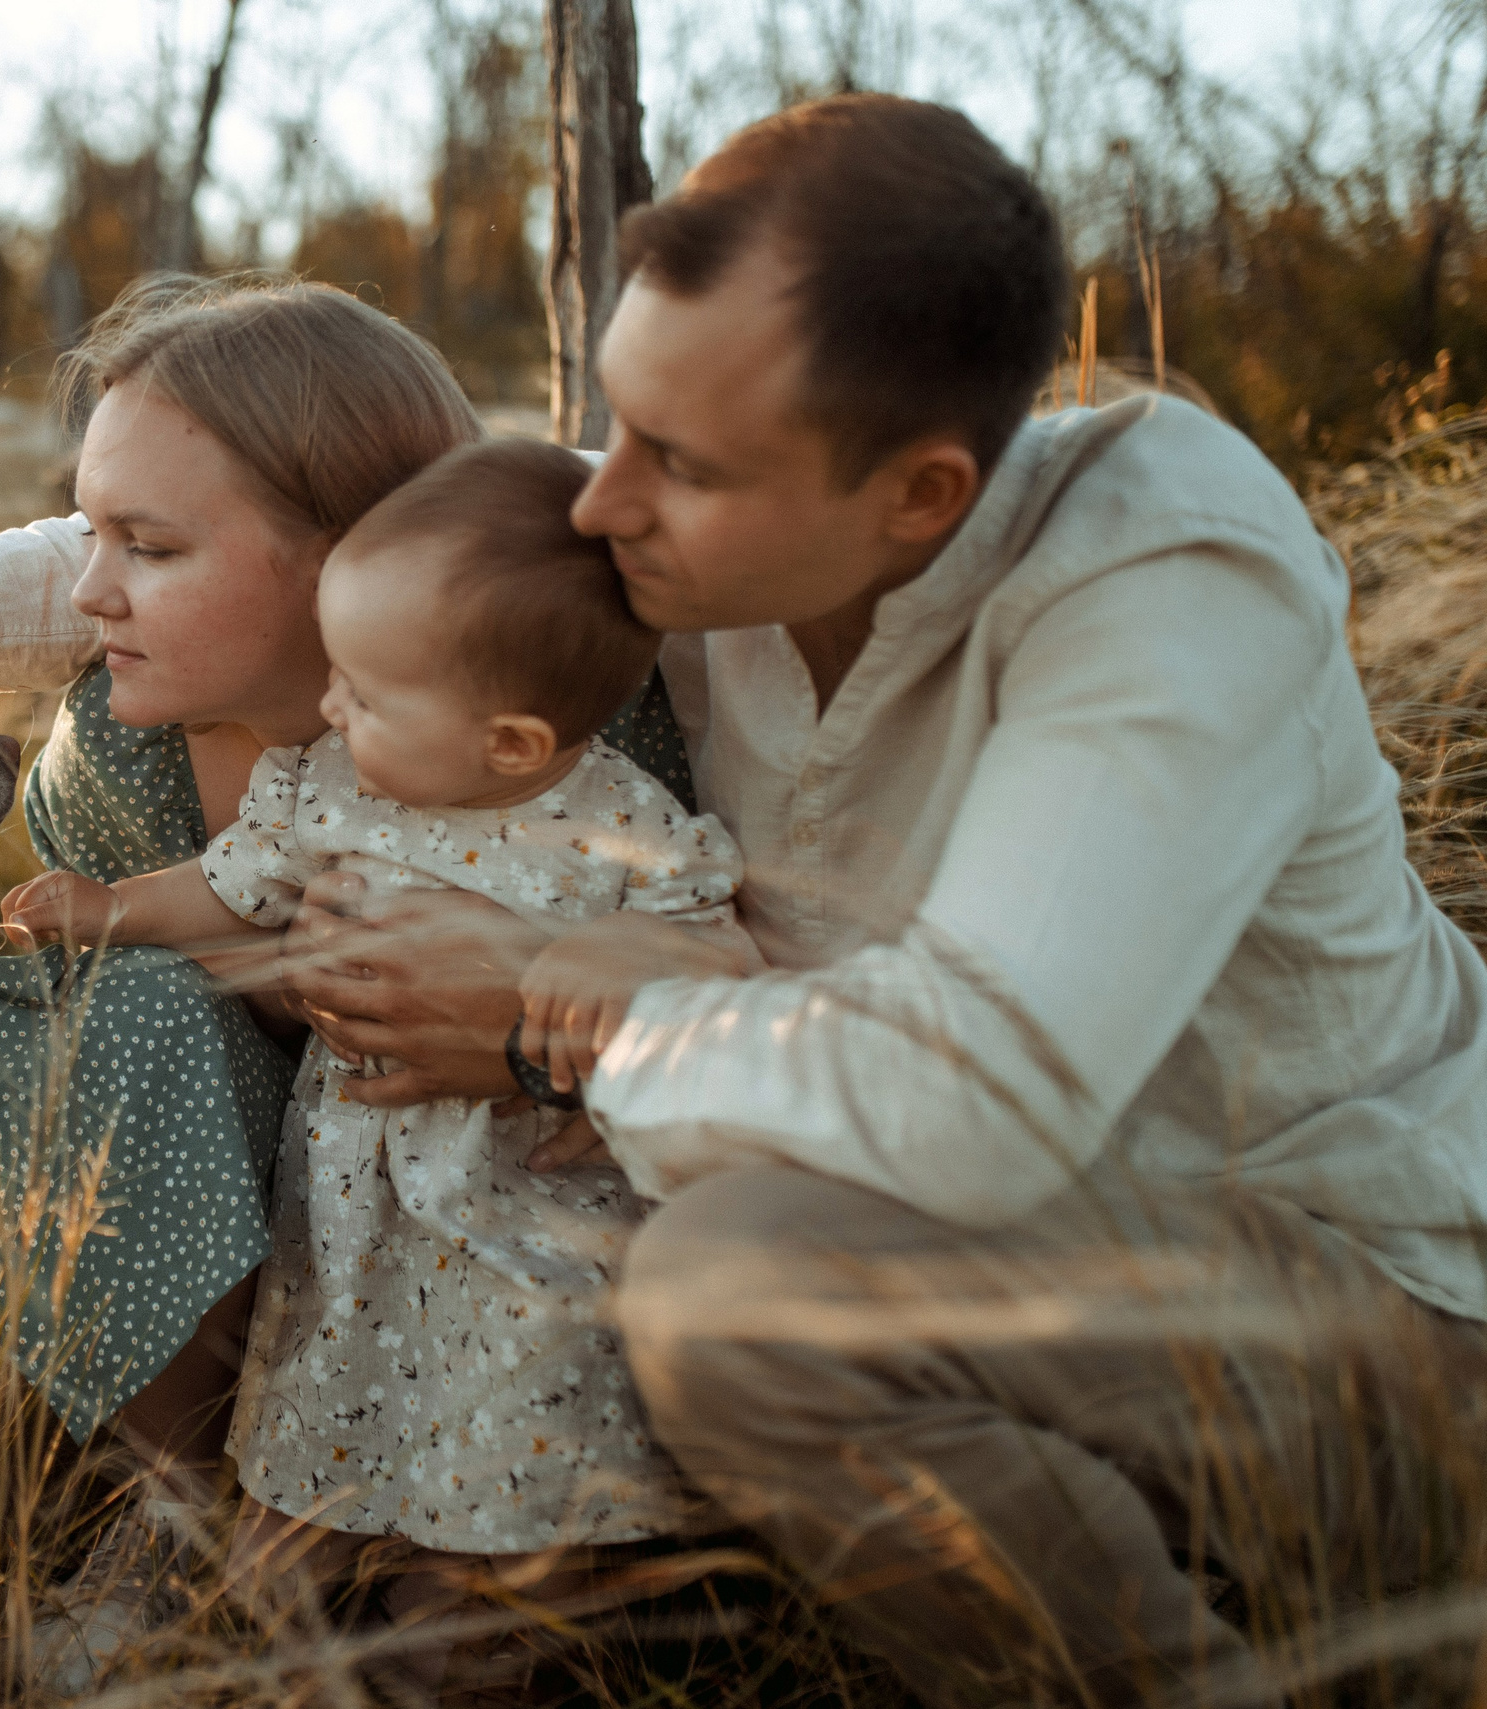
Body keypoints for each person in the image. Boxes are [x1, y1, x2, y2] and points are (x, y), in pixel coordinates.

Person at [271, 94, 1487, 1706]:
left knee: (738, 1288)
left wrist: (568, 1021)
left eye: (677, 462)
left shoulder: (1167, 570)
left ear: (920, 497)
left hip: (1373, 1330)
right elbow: (267, 524)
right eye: (616, 422)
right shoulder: (687, 533)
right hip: (1001, 1296)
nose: (597, 498)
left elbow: (976, 1099)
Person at [0, 277, 698, 1678]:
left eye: (147, 548)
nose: (93, 585)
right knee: (94, 1023)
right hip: (278, 1151)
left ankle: (496, 1569)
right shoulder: (124, 734)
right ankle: (181, 1510)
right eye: (92, 533)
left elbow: (697, 919)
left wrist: (612, 976)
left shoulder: (551, 705)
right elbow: (96, 556)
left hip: (499, 1192)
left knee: (473, 1578)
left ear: (360, 552)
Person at [1, 439, 746, 1654]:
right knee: (283, 1535)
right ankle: (257, 1632)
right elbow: (228, 885)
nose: (331, 704)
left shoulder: (622, 826)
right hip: (353, 1235)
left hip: (528, 1240)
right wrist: (109, 906)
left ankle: (473, 1636)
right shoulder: (327, 784)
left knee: (503, 1534)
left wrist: (630, 981)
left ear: (508, 742)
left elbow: (707, 947)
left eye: (365, 688)